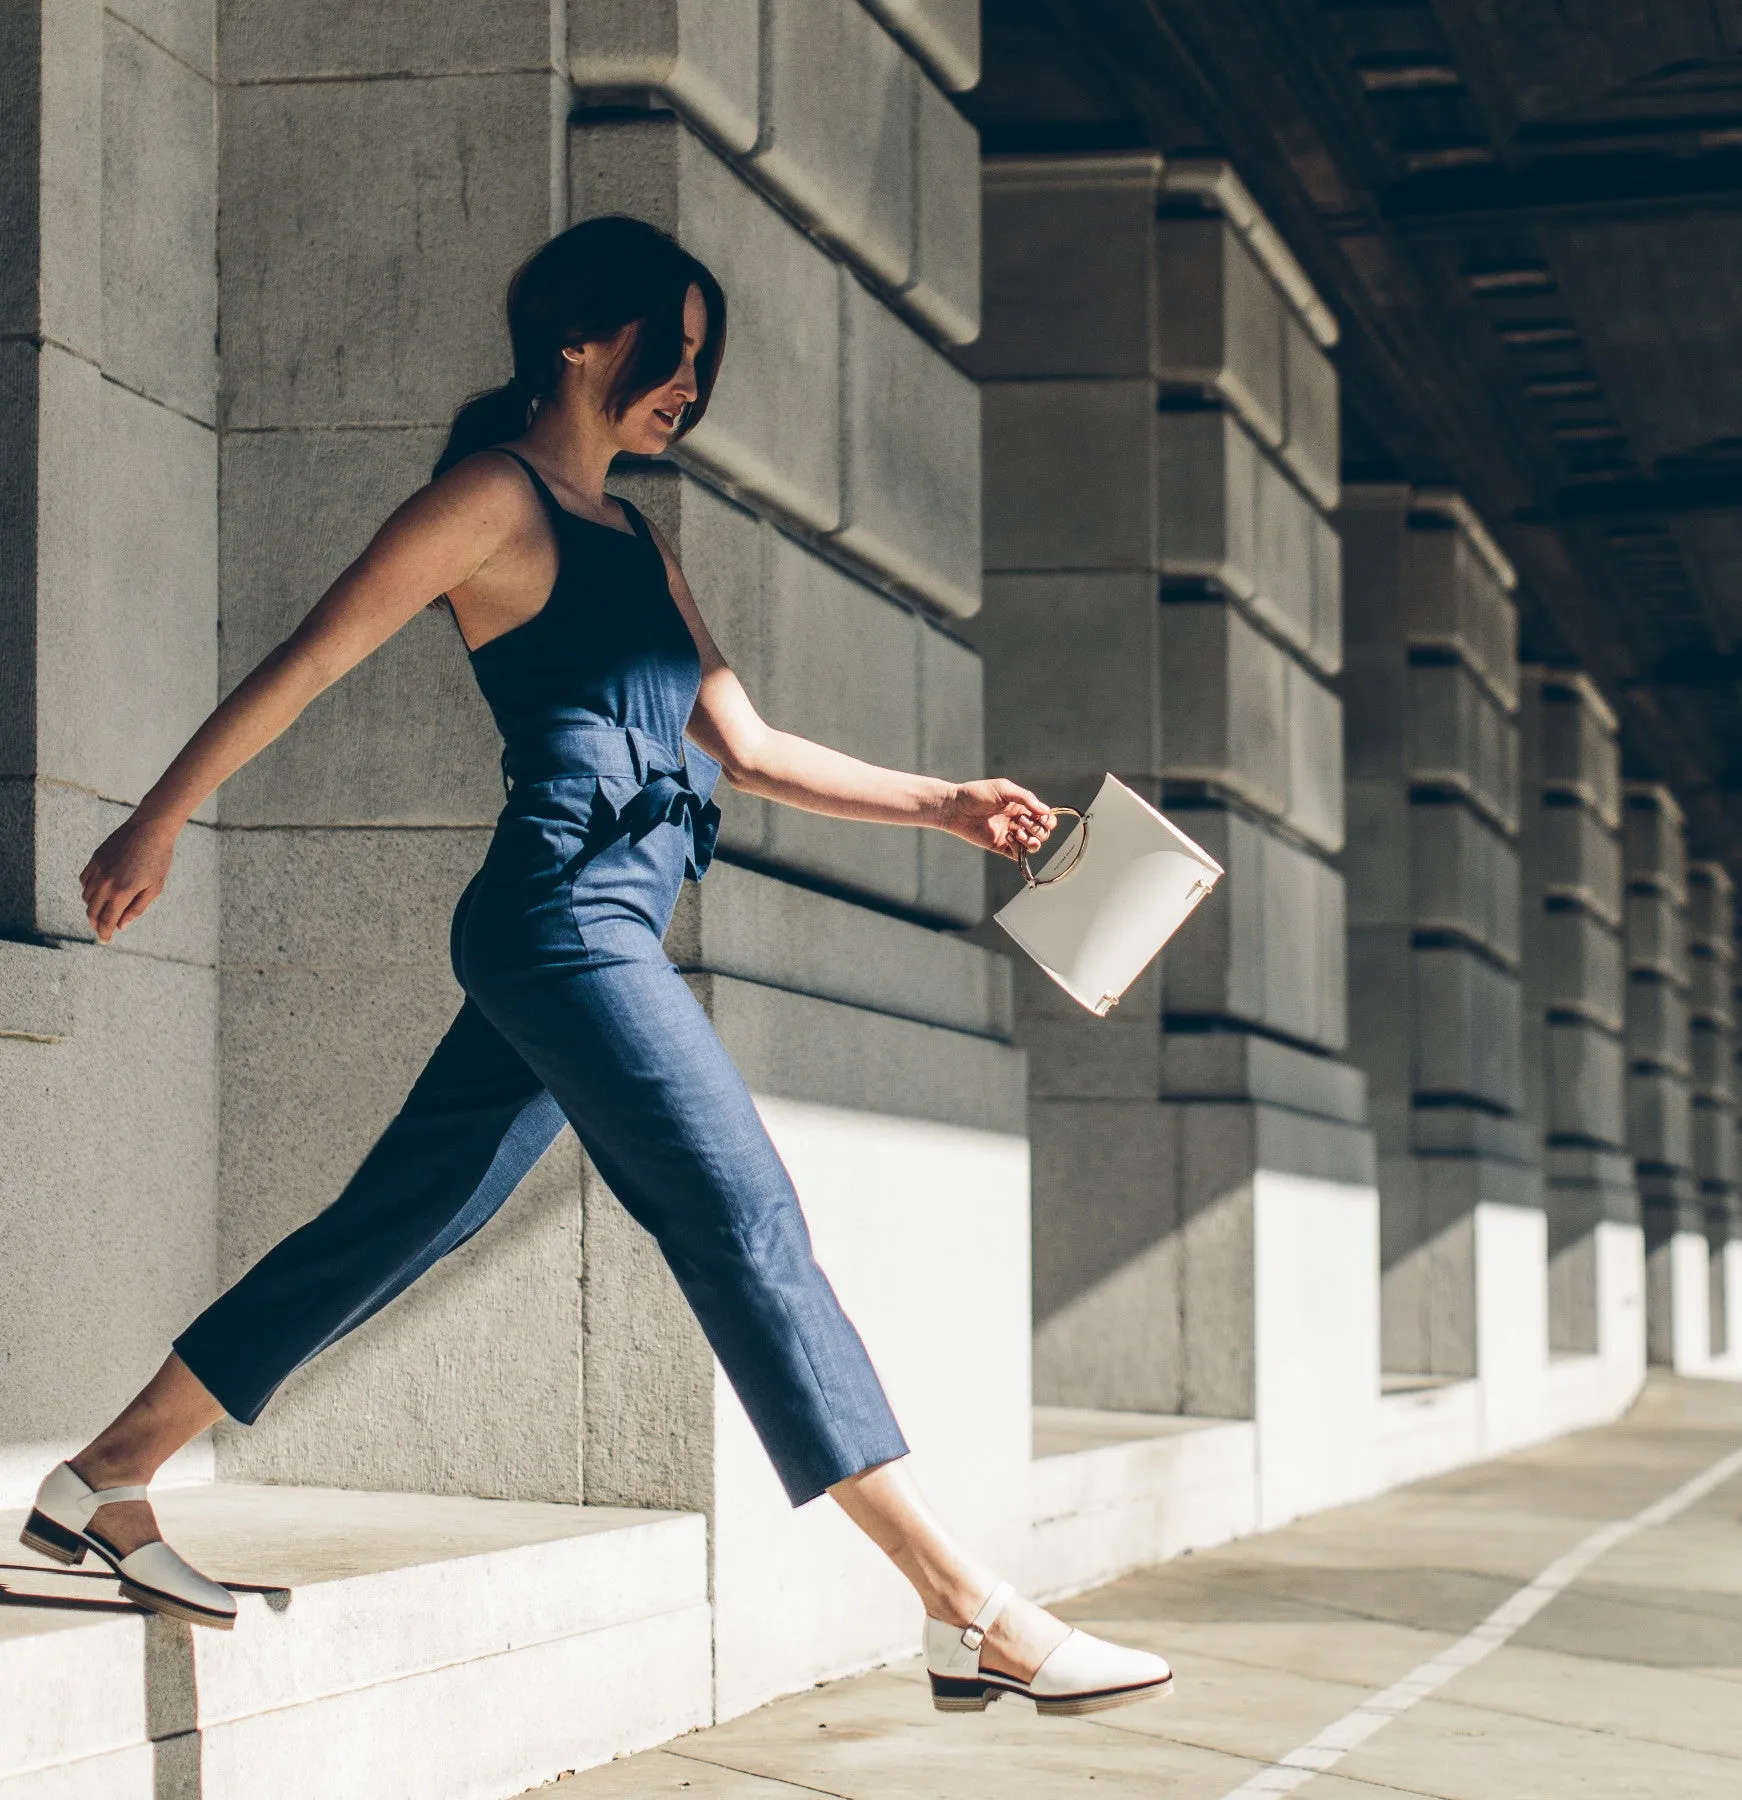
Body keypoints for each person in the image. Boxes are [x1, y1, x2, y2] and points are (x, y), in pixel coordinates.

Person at [23, 216, 1172, 1717]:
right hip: (558, 921)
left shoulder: (639, 538)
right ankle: (970, 1609)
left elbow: (744, 750)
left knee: (397, 1219)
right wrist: (158, 819)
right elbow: (306, 660)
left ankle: (103, 1479)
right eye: (668, 350)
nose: (688, 381)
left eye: (702, 359)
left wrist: (945, 803)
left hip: (604, 929)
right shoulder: (489, 504)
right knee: (745, 1216)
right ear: (580, 340)